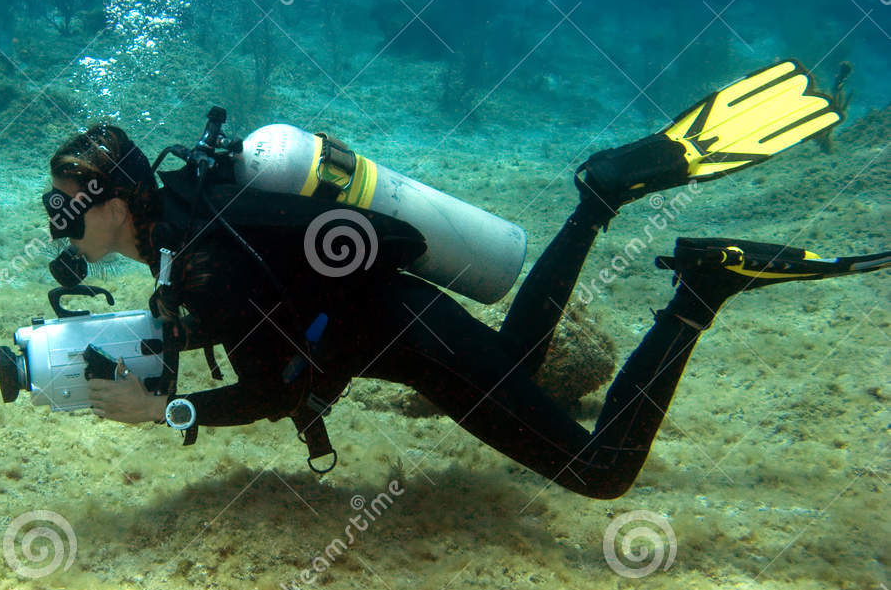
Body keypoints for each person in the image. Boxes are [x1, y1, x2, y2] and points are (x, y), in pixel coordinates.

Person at [43, 61, 889, 498]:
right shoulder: (185, 216)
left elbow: (269, 389)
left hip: (404, 336)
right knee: (516, 357)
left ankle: (700, 290)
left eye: (65, 203)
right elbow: (255, 312)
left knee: (599, 472)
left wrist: (168, 408)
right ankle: (596, 199)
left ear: (115, 201)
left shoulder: (194, 254)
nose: (57, 220)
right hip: (396, 319)